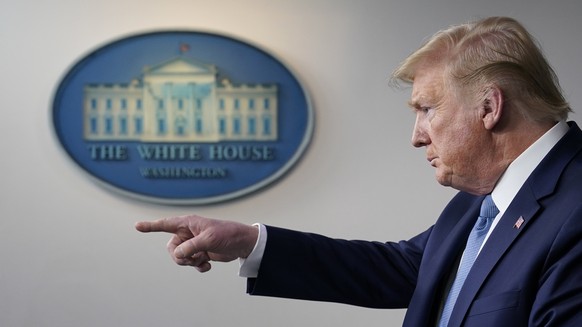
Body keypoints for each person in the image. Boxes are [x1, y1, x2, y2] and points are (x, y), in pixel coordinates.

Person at [135, 16, 582, 326]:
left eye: (427, 109)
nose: (417, 136)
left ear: (489, 107)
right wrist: (248, 242)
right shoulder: (485, 199)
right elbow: (404, 268)